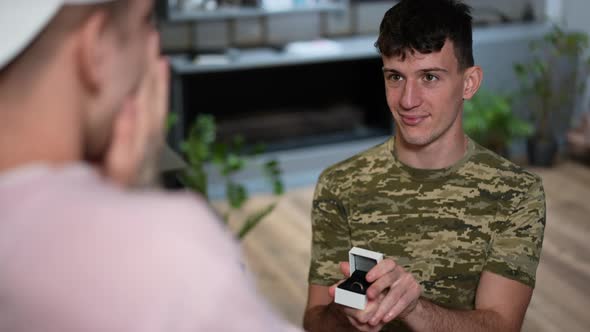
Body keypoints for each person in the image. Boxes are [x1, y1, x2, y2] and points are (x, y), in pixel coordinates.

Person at [0, 1, 299, 331]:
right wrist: (135, 204)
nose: (154, 50)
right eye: (147, 22)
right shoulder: (161, 251)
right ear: (95, 49)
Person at [303, 0, 546, 331]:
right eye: (395, 77)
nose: (407, 100)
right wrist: (344, 312)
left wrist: (412, 308)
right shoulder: (339, 184)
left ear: (469, 83)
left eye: (429, 77)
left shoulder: (516, 194)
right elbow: (315, 321)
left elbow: (501, 325)